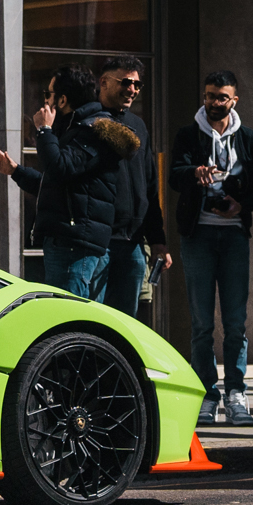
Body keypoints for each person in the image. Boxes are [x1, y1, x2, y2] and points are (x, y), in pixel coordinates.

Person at [169, 70, 253, 427]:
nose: (214, 102)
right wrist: (194, 172)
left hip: (232, 237)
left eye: (221, 97)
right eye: (209, 95)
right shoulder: (187, 134)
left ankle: (237, 393)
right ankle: (206, 394)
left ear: (234, 100)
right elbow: (173, 174)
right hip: (198, 235)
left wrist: (242, 205)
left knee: (236, 322)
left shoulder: (248, 137)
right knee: (200, 323)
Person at [0, 64, 135, 298]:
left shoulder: (94, 130)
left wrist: (43, 130)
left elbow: (61, 168)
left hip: (75, 243)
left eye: (48, 95)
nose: (45, 102)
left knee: (72, 320)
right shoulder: (77, 128)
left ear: (62, 100)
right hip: (71, 239)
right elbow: (57, 184)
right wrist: (15, 171)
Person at [91, 57, 169, 318]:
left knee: (125, 321)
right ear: (104, 82)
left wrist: (157, 239)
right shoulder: (89, 119)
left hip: (134, 242)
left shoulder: (138, 126)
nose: (132, 89)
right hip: (99, 241)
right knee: (94, 317)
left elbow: (149, 185)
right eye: (126, 82)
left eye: (137, 84)